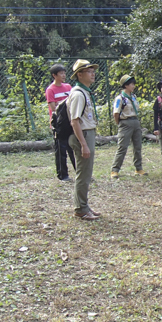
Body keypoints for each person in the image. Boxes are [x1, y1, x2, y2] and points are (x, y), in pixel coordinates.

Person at [67, 60, 100, 220]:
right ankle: (80, 208)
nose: (92, 73)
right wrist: (84, 144)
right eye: (88, 71)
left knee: (86, 173)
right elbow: (75, 121)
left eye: (93, 70)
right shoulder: (78, 94)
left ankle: (84, 205)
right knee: (83, 174)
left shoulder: (85, 92)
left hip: (87, 133)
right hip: (83, 135)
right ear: (79, 75)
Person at [110, 75, 146, 179]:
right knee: (122, 147)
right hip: (125, 122)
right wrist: (120, 123)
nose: (133, 86)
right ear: (125, 85)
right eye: (131, 84)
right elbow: (116, 113)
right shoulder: (120, 98)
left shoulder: (133, 97)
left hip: (135, 121)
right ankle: (115, 170)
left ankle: (138, 168)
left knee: (137, 146)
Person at [46, 63, 75, 181]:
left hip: (71, 121)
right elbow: (54, 107)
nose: (64, 75)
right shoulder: (50, 90)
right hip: (59, 123)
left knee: (74, 148)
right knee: (61, 150)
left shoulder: (68, 87)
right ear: (54, 75)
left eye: (64, 73)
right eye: (61, 73)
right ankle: (63, 175)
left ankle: (81, 173)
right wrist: (66, 102)